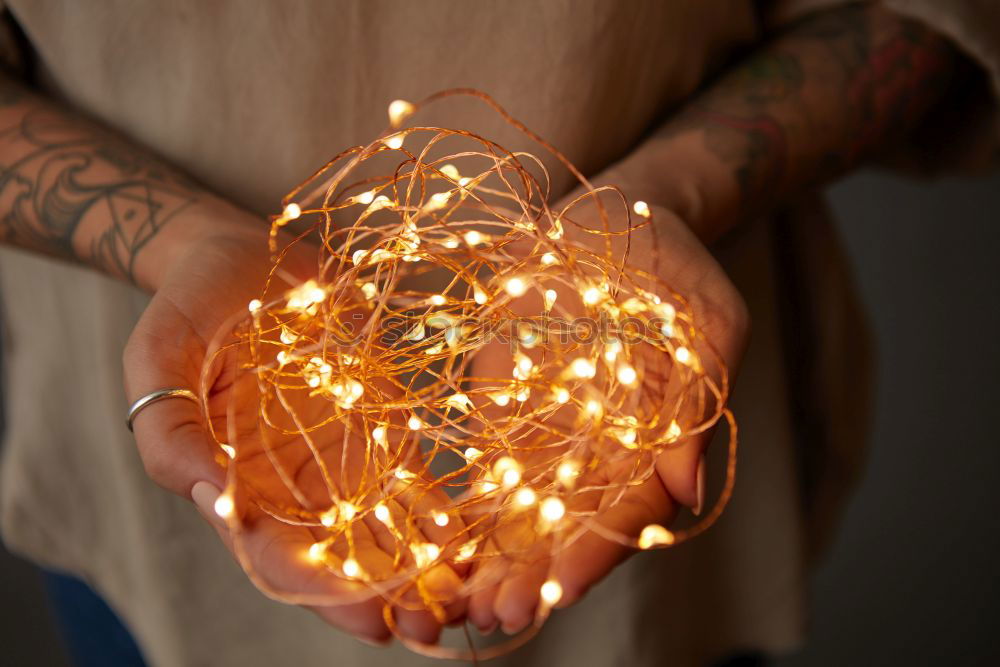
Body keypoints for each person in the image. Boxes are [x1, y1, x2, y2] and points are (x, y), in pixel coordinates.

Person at [0, 1, 996, 665]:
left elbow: (918, 15)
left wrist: (669, 192)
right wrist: (175, 243)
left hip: (674, 571)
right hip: (151, 547)